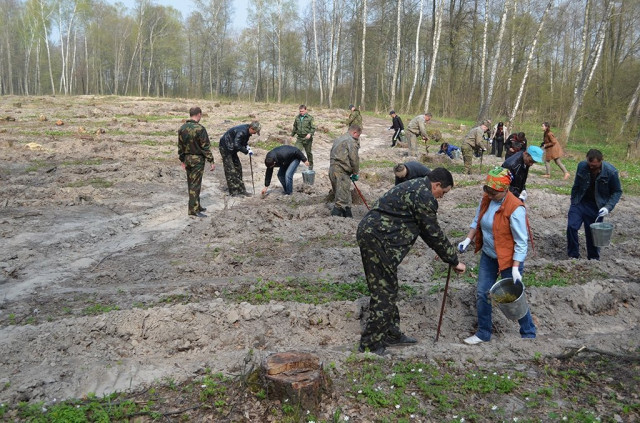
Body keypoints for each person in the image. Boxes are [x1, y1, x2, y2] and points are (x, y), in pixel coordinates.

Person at [357, 167, 466, 355]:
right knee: (384, 292)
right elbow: (432, 232)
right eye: (443, 193)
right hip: (377, 239)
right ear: (436, 185)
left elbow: (424, 230)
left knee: (389, 287)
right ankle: (370, 345)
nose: (441, 197)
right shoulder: (424, 196)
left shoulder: (416, 186)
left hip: (378, 237)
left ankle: (390, 333)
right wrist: (454, 260)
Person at [457, 167, 536, 345]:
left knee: (513, 297)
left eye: (494, 193)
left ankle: (529, 333)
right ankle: (483, 333)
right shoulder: (487, 199)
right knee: (482, 293)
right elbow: (477, 220)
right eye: (488, 191)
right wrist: (468, 239)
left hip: (509, 259)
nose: (490, 196)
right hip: (489, 254)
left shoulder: (515, 208)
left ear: (505, 189)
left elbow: (521, 242)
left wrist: (515, 268)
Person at [567, 149, 622, 260]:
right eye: (590, 164)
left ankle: (593, 259)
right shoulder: (582, 166)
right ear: (586, 159)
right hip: (580, 202)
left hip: (596, 206)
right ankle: (573, 256)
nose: (591, 167)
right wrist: (573, 200)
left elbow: (617, 191)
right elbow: (576, 184)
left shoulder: (611, 172)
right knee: (571, 227)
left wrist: (608, 207)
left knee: (593, 234)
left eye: (595, 166)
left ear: (601, 161)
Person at [178, 107, 216, 217]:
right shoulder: (200, 129)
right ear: (199, 114)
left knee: (191, 183)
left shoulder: (182, 128)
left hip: (187, 158)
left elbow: (180, 146)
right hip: (197, 159)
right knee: (196, 184)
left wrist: (182, 159)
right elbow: (205, 147)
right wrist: (211, 160)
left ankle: (197, 205)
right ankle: (193, 210)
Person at [218, 121, 261, 197]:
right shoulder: (242, 132)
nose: (255, 133)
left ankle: (241, 190)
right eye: (255, 132)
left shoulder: (247, 131)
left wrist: (247, 147)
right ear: (251, 128)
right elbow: (237, 144)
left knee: (238, 168)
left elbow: (242, 142)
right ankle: (233, 191)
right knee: (230, 170)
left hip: (232, 148)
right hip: (225, 148)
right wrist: (246, 151)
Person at [329, 125, 362, 217]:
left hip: (332, 169)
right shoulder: (351, 141)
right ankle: (335, 219)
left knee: (344, 196)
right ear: (355, 133)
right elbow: (354, 159)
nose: (358, 138)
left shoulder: (339, 139)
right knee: (341, 201)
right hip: (341, 172)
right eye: (358, 135)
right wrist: (355, 172)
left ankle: (348, 215)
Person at [291, 105, 316, 170]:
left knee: (308, 152)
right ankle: (294, 166)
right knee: (296, 151)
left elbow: (313, 128)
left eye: (302, 111)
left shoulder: (310, 118)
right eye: (300, 111)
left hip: (307, 138)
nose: (301, 112)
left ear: (306, 110)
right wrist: (291, 135)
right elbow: (295, 127)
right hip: (299, 138)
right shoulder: (297, 118)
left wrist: (310, 134)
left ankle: (310, 165)